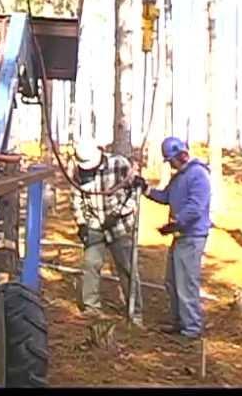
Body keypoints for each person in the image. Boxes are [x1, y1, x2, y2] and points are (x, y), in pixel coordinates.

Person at [139, 136, 211, 339]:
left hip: (192, 236)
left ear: (182, 155)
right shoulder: (179, 176)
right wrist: (145, 189)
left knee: (186, 283)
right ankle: (179, 321)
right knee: (172, 281)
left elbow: (196, 207)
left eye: (171, 160)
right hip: (180, 235)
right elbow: (165, 197)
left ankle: (191, 329)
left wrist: (176, 223)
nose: (170, 164)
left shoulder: (198, 175)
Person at [71, 139, 143, 326]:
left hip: (120, 226)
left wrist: (118, 212)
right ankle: (91, 308)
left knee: (127, 268)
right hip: (94, 224)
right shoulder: (78, 171)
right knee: (90, 265)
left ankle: (134, 313)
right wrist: (82, 224)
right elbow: (76, 197)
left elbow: (134, 193)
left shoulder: (119, 164)